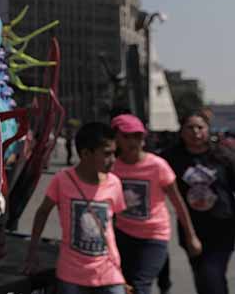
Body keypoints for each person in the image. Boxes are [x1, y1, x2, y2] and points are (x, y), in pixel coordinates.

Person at [24, 122, 127, 294]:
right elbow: (42, 212)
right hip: (71, 276)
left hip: (109, 273)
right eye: (107, 154)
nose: (113, 160)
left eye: (114, 153)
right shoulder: (62, 179)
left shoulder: (114, 183)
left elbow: (115, 222)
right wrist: (32, 252)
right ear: (86, 154)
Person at [110, 114, 201, 294]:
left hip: (154, 235)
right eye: (126, 136)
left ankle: (161, 266)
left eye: (137, 136)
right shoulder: (112, 167)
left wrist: (191, 236)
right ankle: (163, 270)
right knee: (125, 284)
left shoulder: (158, 166)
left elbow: (178, 202)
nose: (132, 141)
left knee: (140, 285)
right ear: (115, 138)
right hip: (123, 233)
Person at [163, 111, 235, 294]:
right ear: (182, 131)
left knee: (212, 275)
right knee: (203, 278)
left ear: (208, 129)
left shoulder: (223, 155)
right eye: (190, 127)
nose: (195, 132)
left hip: (223, 227)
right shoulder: (171, 158)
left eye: (200, 127)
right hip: (192, 229)